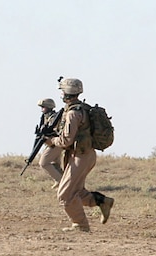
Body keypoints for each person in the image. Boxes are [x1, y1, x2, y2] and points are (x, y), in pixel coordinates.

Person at [45, 77, 114, 232]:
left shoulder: (72, 114)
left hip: (80, 156)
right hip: (83, 155)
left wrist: (51, 141)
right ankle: (103, 202)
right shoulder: (82, 108)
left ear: (66, 93)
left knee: (64, 195)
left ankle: (81, 225)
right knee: (75, 192)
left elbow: (66, 140)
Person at [35, 98, 63, 190]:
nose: (42, 109)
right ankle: (61, 181)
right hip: (51, 143)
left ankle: (61, 182)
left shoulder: (54, 118)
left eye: (43, 107)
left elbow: (55, 130)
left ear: (48, 107)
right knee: (55, 164)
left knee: (44, 163)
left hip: (55, 143)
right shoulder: (46, 117)